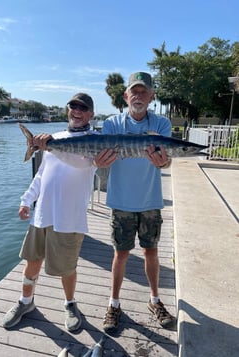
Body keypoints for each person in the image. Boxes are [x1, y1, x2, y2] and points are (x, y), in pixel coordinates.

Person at [3, 93, 99, 332]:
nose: (76, 111)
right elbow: (41, 174)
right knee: (32, 261)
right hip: (42, 214)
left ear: (91, 114)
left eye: (82, 108)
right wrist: (26, 200)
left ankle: (70, 304)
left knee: (67, 267)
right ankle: (26, 302)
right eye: (72, 106)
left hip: (69, 218)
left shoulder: (97, 140)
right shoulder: (55, 139)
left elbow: (83, 164)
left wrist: (52, 147)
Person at [93, 72, 175, 332]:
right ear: (126, 96)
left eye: (144, 92)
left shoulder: (161, 124)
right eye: (134, 92)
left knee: (151, 252)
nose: (138, 96)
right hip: (121, 201)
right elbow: (100, 157)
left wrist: (167, 160)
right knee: (121, 253)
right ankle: (113, 304)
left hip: (150, 200)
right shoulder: (112, 124)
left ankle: (154, 300)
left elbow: (168, 157)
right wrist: (98, 162)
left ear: (151, 97)